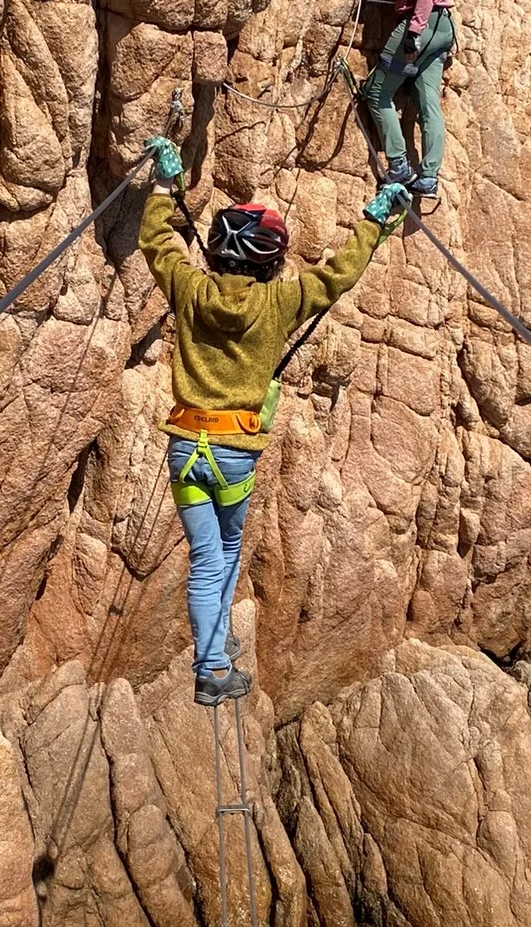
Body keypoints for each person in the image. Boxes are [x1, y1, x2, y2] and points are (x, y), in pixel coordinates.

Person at [139, 134, 409, 704]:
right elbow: (338, 276)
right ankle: (212, 668)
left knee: (206, 559)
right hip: (235, 453)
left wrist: (165, 185)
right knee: (225, 555)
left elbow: (156, 240)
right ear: (271, 261)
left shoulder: (188, 289)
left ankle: (214, 650)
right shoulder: (280, 302)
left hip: (186, 447)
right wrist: (375, 221)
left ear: (214, 254)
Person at [363, 0, 456, 200]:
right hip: (440, 26)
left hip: (422, 25)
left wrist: (413, 31)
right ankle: (429, 177)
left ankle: (399, 165)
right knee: (427, 100)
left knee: (376, 92)